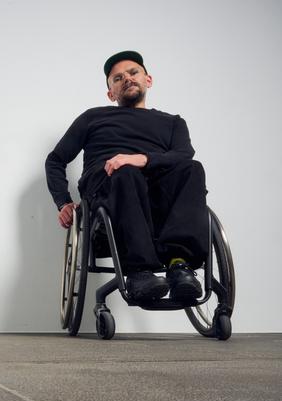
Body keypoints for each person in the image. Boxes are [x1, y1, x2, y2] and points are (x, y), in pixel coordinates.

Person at [45, 51, 208, 302]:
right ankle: (139, 271)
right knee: (126, 172)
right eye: (117, 78)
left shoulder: (173, 122)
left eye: (133, 73)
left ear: (148, 80)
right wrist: (63, 201)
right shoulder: (94, 117)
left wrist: (141, 158)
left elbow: (183, 154)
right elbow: (55, 160)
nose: (127, 79)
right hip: (108, 190)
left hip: (157, 198)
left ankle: (179, 265)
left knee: (192, 169)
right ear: (111, 93)